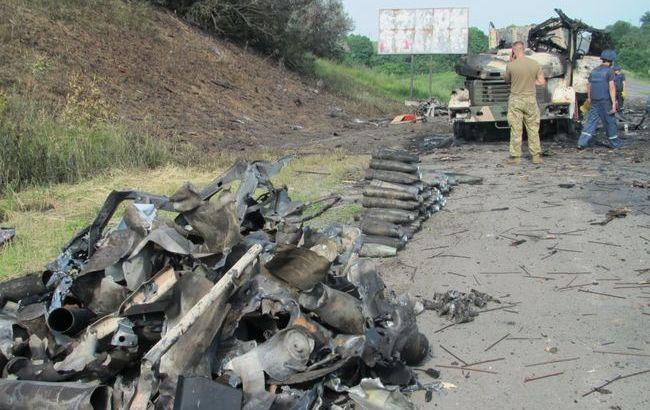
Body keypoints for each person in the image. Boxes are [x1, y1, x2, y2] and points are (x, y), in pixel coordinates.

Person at [504, 41, 546, 165]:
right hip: (530, 100)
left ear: (513, 50)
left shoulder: (511, 65)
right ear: (524, 49)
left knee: (516, 129)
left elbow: (507, 80)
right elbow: (542, 82)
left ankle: (515, 157)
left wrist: (511, 63)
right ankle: (536, 156)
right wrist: (531, 83)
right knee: (533, 128)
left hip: (516, 99)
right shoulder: (534, 64)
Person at [577, 50, 623, 149]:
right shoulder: (610, 71)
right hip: (605, 101)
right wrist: (614, 104)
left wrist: (589, 98)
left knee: (591, 122)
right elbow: (611, 88)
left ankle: (582, 142)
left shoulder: (594, 70)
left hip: (594, 101)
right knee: (610, 122)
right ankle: (615, 143)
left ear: (602, 59)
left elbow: (589, 85)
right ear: (611, 60)